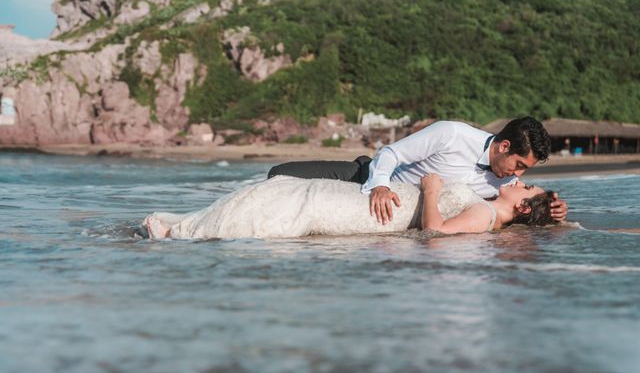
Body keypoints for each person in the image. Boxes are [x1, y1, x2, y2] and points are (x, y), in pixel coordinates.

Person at [268, 117, 568, 223]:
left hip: (403, 210)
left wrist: (554, 212)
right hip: (364, 175)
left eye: (525, 171)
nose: (519, 176)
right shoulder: (451, 134)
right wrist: (380, 186)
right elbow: (391, 153)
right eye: (519, 166)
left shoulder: (502, 184)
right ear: (504, 147)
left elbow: (519, 208)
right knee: (278, 173)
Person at [143, 176, 555, 240]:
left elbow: (437, 234)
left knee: (294, 204)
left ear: (521, 206)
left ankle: (179, 233)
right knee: (286, 193)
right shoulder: (488, 204)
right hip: (360, 205)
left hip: (362, 216)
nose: (518, 180)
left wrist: (430, 191)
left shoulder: (485, 216)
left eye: (527, 185)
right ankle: (183, 229)